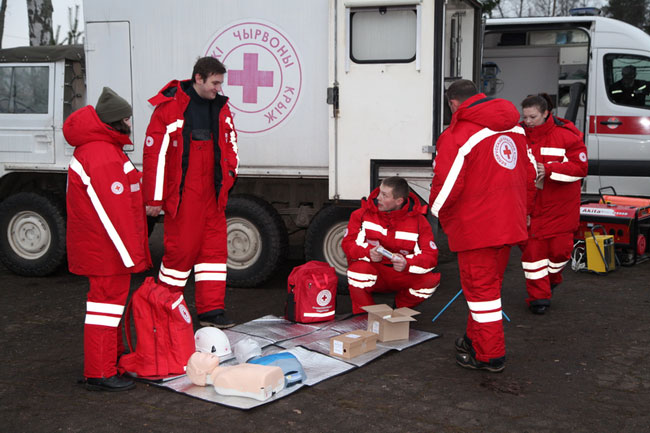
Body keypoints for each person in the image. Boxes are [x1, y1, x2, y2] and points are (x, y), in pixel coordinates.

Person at [429, 80, 533, 373]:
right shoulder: (515, 128)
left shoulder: (456, 135)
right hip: (508, 224)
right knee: (486, 291)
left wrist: (436, 213)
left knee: (481, 293)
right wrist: (525, 212)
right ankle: (474, 340)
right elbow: (529, 173)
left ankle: (490, 356)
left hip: (477, 228)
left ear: (452, 103)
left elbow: (447, 186)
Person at [64, 87, 151, 391]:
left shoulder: (103, 149)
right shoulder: (101, 154)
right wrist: (130, 255)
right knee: (105, 308)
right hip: (107, 251)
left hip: (104, 249)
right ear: (115, 121)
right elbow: (113, 213)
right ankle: (99, 373)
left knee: (109, 307)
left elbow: (126, 191)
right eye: (126, 118)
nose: (130, 122)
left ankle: (109, 362)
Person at [143, 57, 239, 329]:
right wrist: (154, 199)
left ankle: (212, 312)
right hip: (184, 197)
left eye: (220, 83)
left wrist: (230, 175)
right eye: (215, 82)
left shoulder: (221, 107)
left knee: (214, 255)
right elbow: (155, 156)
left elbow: (231, 144)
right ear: (198, 78)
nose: (218, 89)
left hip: (213, 195)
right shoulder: (169, 108)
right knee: (180, 254)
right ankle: (164, 307)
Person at [520, 94, 588, 314]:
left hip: (560, 208)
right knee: (533, 256)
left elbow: (580, 169)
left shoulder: (567, 136)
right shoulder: (517, 135)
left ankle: (552, 278)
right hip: (530, 208)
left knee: (560, 252)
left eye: (533, 117)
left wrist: (548, 169)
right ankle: (538, 298)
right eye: (525, 116)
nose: (528, 121)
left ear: (546, 113)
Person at [342, 176, 440, 314]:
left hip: (401, 273)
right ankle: (364, 318)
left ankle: (399, 312)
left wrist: (407, 263)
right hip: (375, 270)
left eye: (384, 195)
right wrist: (368, 252)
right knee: (357, 272)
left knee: (429, 282)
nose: (378, 198)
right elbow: (348, 244)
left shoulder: (419, 222)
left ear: (399, 201)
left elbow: (430, 257)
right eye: (379, 192)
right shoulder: (361, 215)